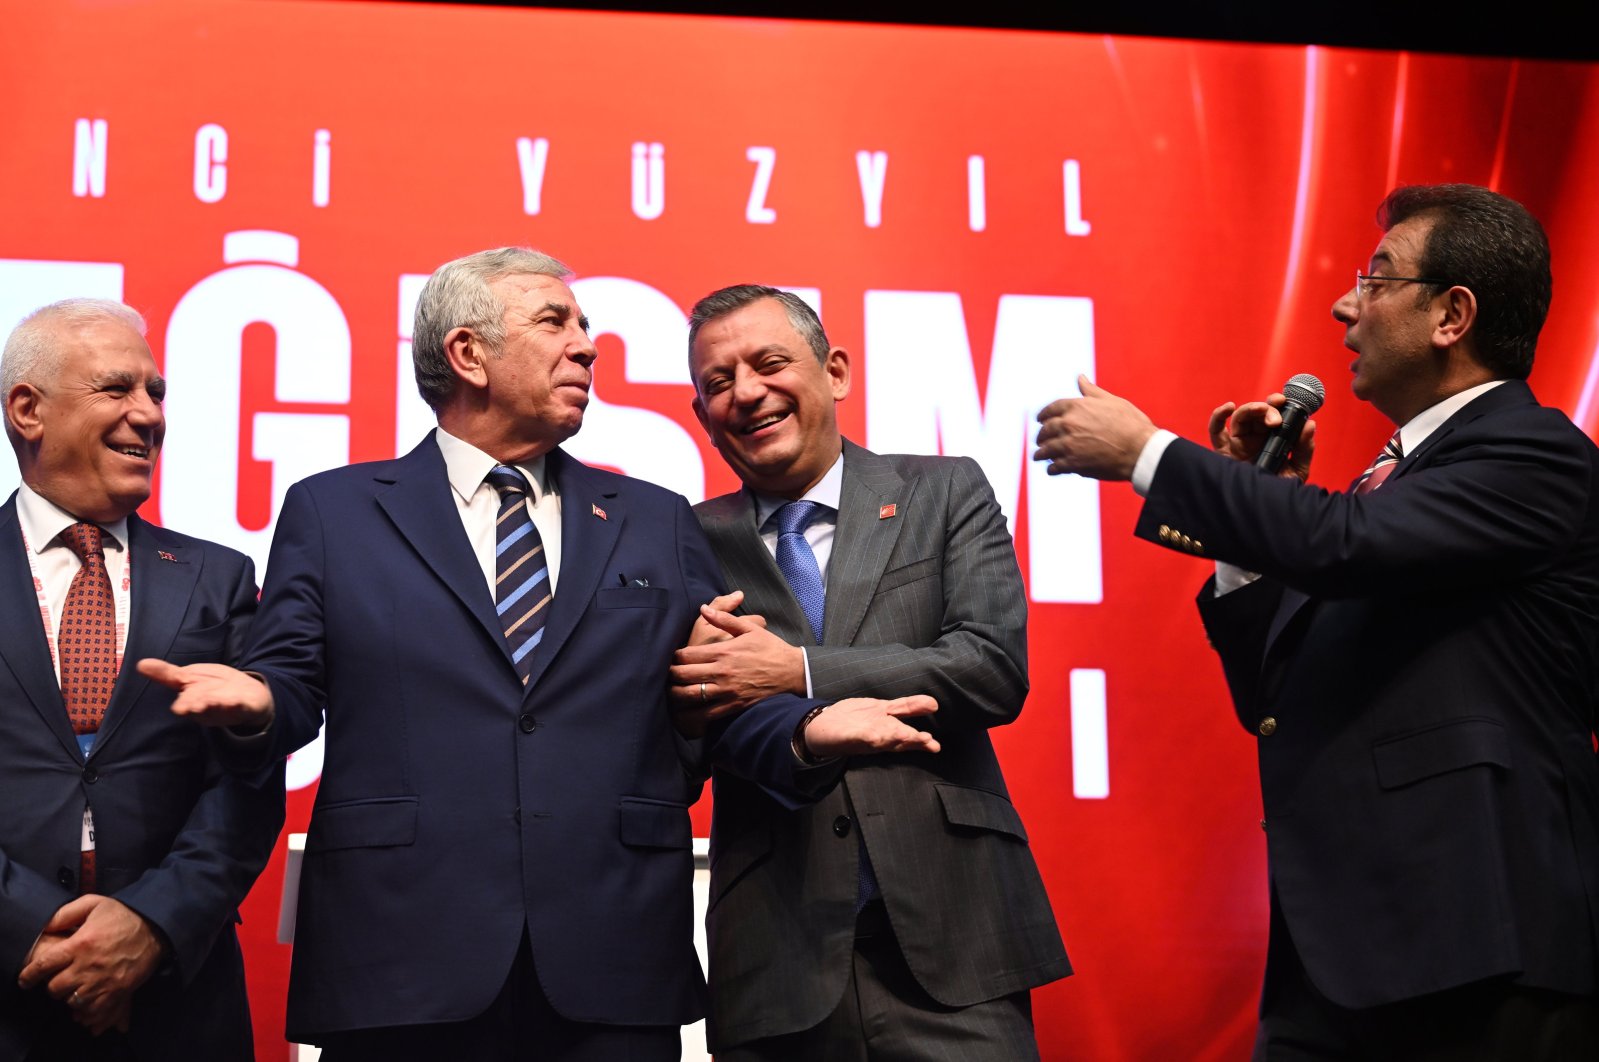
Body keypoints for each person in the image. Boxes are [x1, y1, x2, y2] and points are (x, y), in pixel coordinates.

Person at [137, 250, 937, 1061]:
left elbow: (714, 706)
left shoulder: (653, 519)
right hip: (400, 959)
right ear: (467, 354)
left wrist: (808, 730)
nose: (587, 346)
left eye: (585, 326)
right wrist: (258, 704)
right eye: (555, 322)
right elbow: (291, 684)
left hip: (612, 957)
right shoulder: (334, 510)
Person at [1033, 184, 1599, 1059]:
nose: (1345, 306)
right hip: (1343, 950)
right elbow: (1271, 692)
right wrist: (1258, 515)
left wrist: (1148, 453)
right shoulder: (1399, 484)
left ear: (1452, 315)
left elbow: (1343, 544)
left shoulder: (1536, 455)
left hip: (1478, 944)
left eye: (1376, 279)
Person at [675, 284, 1069, 1060]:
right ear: (699, 415)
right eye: (717, 383)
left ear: (836, 371)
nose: (745, 392)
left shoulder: (942, 489)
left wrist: (801, 672)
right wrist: (801, 727)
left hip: (956, 941)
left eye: (768, 363)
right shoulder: (684, 537)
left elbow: (990, 668)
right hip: (777, 951)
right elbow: (698, 719)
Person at [0, 299, 284, 1061]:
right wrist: (33, 931)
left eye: (155, 393)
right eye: (116, 389)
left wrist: (149, 926)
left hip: (177, 1008)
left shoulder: (219, 578)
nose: (148, 415)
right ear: (27, 410)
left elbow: (247, 786)